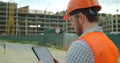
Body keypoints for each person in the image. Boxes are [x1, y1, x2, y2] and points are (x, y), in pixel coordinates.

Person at [38, 0, 119, 63]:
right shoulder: (110, 44)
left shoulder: (81, 46)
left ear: (80, 17)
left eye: (72, 20)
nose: (71, 25)